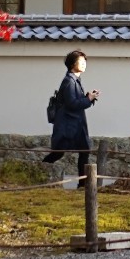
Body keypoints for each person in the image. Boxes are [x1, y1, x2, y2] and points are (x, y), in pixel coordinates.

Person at [43, 49, 97, 184]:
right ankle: (39, 171)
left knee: (83, 152)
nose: (84, 64)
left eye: (85, 61)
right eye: (81, 61)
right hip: (68, 125)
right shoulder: (69, 81)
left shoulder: (74, 80)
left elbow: (73, 102)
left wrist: (88, 98)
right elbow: (72, 103)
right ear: (73, 64)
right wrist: (88, 99)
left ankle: (83, 184)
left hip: (73, 124)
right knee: (59, 152)